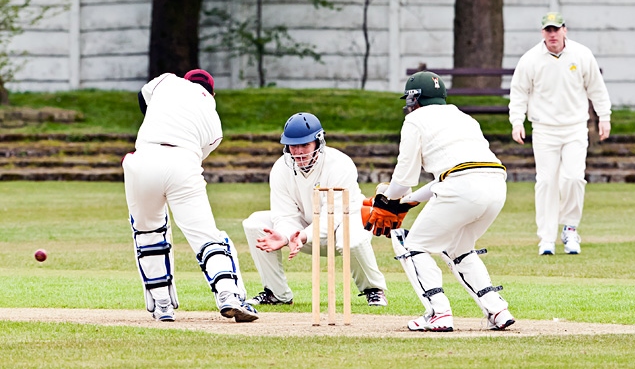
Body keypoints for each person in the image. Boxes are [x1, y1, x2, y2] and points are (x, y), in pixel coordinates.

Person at [366, 71, 514, 332]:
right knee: (459, 248)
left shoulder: (415, 120)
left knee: (414, 246)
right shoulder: (464, 118)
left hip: (462, 186)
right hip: (495, 185)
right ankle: (498, 310)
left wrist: (385, 200)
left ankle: (438, 312)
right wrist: (408, 202)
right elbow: (452, 174)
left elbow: (403, 179)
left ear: (415, 101)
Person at [122, 69, 258, 323]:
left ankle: (162, 305)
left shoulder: (167, 81)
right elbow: (198, 152)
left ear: (186, 80)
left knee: (148, 232)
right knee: (205, 235)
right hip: (183, 163)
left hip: (143, 158)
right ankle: (228, 294)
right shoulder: (215, 123)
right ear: (212, 92)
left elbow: (143, 98)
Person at [242, 112, 388, 307]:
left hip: (343, 225)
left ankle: (373, 290)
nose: (299, 152)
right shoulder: (280, 169)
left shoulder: (340, 164)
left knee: (352, 240)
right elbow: (285, 215)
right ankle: (277, 293)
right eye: (293, 146)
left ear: (318, 142)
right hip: (304, 228)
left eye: (305, 145)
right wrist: (286, 237)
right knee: (254, 223)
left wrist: (302, 236)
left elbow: (335, 215)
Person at [509, 12, 612, 256]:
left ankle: (570, 228)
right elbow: (519, 92)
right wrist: (516, 121)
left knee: (574, 179)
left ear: (565, 30)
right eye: (548, 30)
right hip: (544, 129)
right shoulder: (531, 59)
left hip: (575, 127)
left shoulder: (581, 54)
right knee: (546, 182)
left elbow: (596, 88)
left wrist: (604, 116)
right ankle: (546, 238)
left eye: (556, 29)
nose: (552, 34)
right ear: (542, 32)